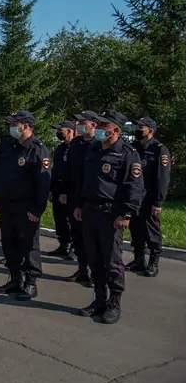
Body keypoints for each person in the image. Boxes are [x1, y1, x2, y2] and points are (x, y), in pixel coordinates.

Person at [74, 111, 145, 324]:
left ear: (116, 130)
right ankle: (99, 299)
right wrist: (79, 204)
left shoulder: (127, 154)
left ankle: (114, 302)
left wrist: (126, 213)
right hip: (90, 211)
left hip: (111, 215)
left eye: (104, 126)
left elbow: (135, 187)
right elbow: (84, 179)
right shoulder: (93, 149)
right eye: (99, 124)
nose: (99, 129)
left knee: (112, 260)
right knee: (94, 258)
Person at [0, 111, 51, 301]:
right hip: (8, 205)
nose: (11, 127)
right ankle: (15, 279)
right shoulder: (9, 145)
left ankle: (31, 283)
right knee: (9, 245)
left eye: (15, 124)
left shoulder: (38, 149)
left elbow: (43, 183)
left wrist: (37, 210)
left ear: (26, 126)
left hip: (26, 208)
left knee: (29, 246)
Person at [129, 116, 170, 277]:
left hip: (149, 198)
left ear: (150, 131)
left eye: (141, 127)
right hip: (135, 198)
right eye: (137, 126)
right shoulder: (133, 148)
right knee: (136, 229)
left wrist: (158, 201)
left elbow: (162, 178)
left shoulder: (159, 149)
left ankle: (153, 262)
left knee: (151, 230)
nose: (138, 130)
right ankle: (138, 260)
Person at [65, 110, 99, 286]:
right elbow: (69, 169)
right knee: (77, 235)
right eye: (76, 122)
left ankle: (95, 273)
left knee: (91, 238)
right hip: (74, 196)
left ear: (93, 124)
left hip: (92, 198)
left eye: (82, 122)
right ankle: (82, 269)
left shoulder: (99, 144)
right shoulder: (76, 143)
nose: (78, 125)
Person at [48, 120, 76, 259]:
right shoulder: (60, 149)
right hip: (58, 189)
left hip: (70, 190)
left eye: (61, 130)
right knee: (59, 219)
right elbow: (55, 170)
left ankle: (74, 247)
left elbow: (72, 172)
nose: (58, 133)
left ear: (70, 131)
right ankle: (63, 244)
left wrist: (66, 191)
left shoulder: (76, 148)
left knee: (71, 220)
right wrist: (51, 189)